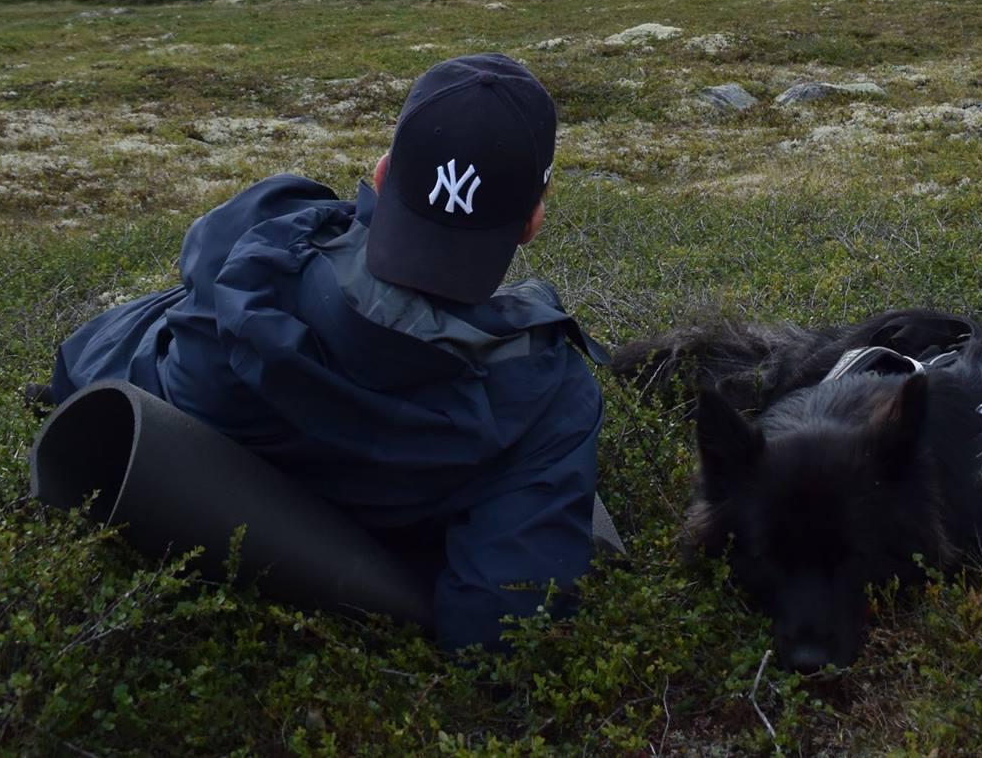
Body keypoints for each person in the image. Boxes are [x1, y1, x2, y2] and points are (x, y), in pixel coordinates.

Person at [40, 53, 605, 650]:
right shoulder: (547, 396)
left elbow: (87, 359)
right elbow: (501, 628)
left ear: (383, 174)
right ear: (532, 222)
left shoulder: (254, 242)